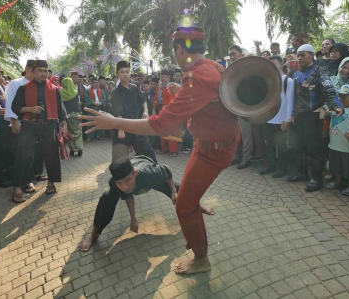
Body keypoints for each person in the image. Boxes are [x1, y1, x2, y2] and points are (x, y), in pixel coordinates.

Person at [79, 26, 240, 274]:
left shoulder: (196, 78)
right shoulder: (215, 67)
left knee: (184, 206)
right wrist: (181, 93)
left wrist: (113, 122)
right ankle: (194, 209)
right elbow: (214, 97)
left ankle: (201, 259)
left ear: (179, 50)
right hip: (207, 144)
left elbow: (160, 124)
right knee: (186, 198)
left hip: (213, 151)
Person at [78, 156, 215, 252]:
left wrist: (173, 191)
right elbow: (128, 194)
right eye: (119, 182)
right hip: (131, 164)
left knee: (182, 191)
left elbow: (166, 170)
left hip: (145, 162)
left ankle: (199, 206)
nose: (124, 186)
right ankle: (94, 234)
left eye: (128, 180)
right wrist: (133, 219)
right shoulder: (115, 184)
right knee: (106, 197)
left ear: (135, 174)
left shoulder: (150, 173)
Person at [287, 44, 345, 192]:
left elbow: (330, 92)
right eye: (298, 55)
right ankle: (301, 173)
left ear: (312, 55)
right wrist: (291, 115)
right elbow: (292, 97)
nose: (299, 58)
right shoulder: (295, 74)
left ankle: (316, 179)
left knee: (315, 150)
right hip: (298, 117)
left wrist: (336, 106)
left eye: (303, 55)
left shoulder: (321, 72)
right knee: (297, 147)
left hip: (313, 117)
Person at [11, 60, 68, 203]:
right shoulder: (23, 88)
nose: (44, 73)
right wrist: (29, 109)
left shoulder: (54, 89)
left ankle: (51, 183)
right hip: (29, 125)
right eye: (40, 71)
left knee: (51, 155)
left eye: (46, 71)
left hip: (49, 125)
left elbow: (61, 109)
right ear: (33, 72)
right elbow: (15, 107)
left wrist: (64, 124)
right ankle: (17, 188)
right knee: (23, 156)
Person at [107, 61, 157, 163]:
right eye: (122, 72)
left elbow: (143, 100)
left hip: (136, 125)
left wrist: (146, 111)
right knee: (119, 160)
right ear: (118, 74)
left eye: (127, 72)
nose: (125, 74)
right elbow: (118, 112)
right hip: (122, 127)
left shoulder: (134, 87)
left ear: (130, 73)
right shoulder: (115, 92)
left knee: (148, 153)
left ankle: (155, 174)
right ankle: (119, 178)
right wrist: (120, 130)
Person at [259, 55, 294, 178]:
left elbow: (290, 100)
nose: (272, 65)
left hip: (281, 119)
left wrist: (287, 119)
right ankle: (271, 165)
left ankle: (282, 168)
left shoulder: (287, 81)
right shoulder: (267, 80)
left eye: (274, 63)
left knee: (281, 145)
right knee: (269, 144)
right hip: (268, 118)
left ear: (281, 64)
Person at [61, 77, 83, 156]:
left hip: (68, 114)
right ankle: (80, 149)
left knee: (70, 132)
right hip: (77, 114)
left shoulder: (61, 93)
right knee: (78, 131)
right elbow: (78, 102)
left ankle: (72, 150)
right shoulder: (75, 91)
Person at [85, 76, 107, 142]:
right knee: (91, 122)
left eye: (97, 82)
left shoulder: (101, 90)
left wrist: (100, 103)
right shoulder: (87, 90)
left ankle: (99, 135)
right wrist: (93, 103)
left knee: (100, 121)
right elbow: (87, 98)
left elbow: (104, 98)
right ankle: (89, 137)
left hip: (99, 108)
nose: (96, 84)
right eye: (94, 82)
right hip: (92, 108)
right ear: (91, 83)